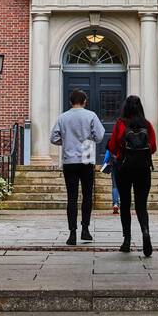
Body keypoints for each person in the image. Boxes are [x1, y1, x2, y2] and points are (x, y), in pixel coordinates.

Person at [50, 89, 105, 245]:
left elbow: (53, 138)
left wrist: (66, 141)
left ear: (70, 101)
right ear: (85, 101)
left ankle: (72, 233)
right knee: (87, 195)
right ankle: (85, 230)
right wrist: (90, 138)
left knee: (72, 197)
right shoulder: (91, 116)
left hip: (69, 160)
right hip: (86, 157)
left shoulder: (63, 117)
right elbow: (100, 136)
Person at [108, 94, 157, 256]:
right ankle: (145, 232)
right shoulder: (147, 125)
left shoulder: (120, 124)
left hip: (124, 169)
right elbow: (154, 148)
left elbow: (113, 146)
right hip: (143, 169)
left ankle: (127, 240)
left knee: (125, 205)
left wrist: (119, 154)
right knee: (141, 205)